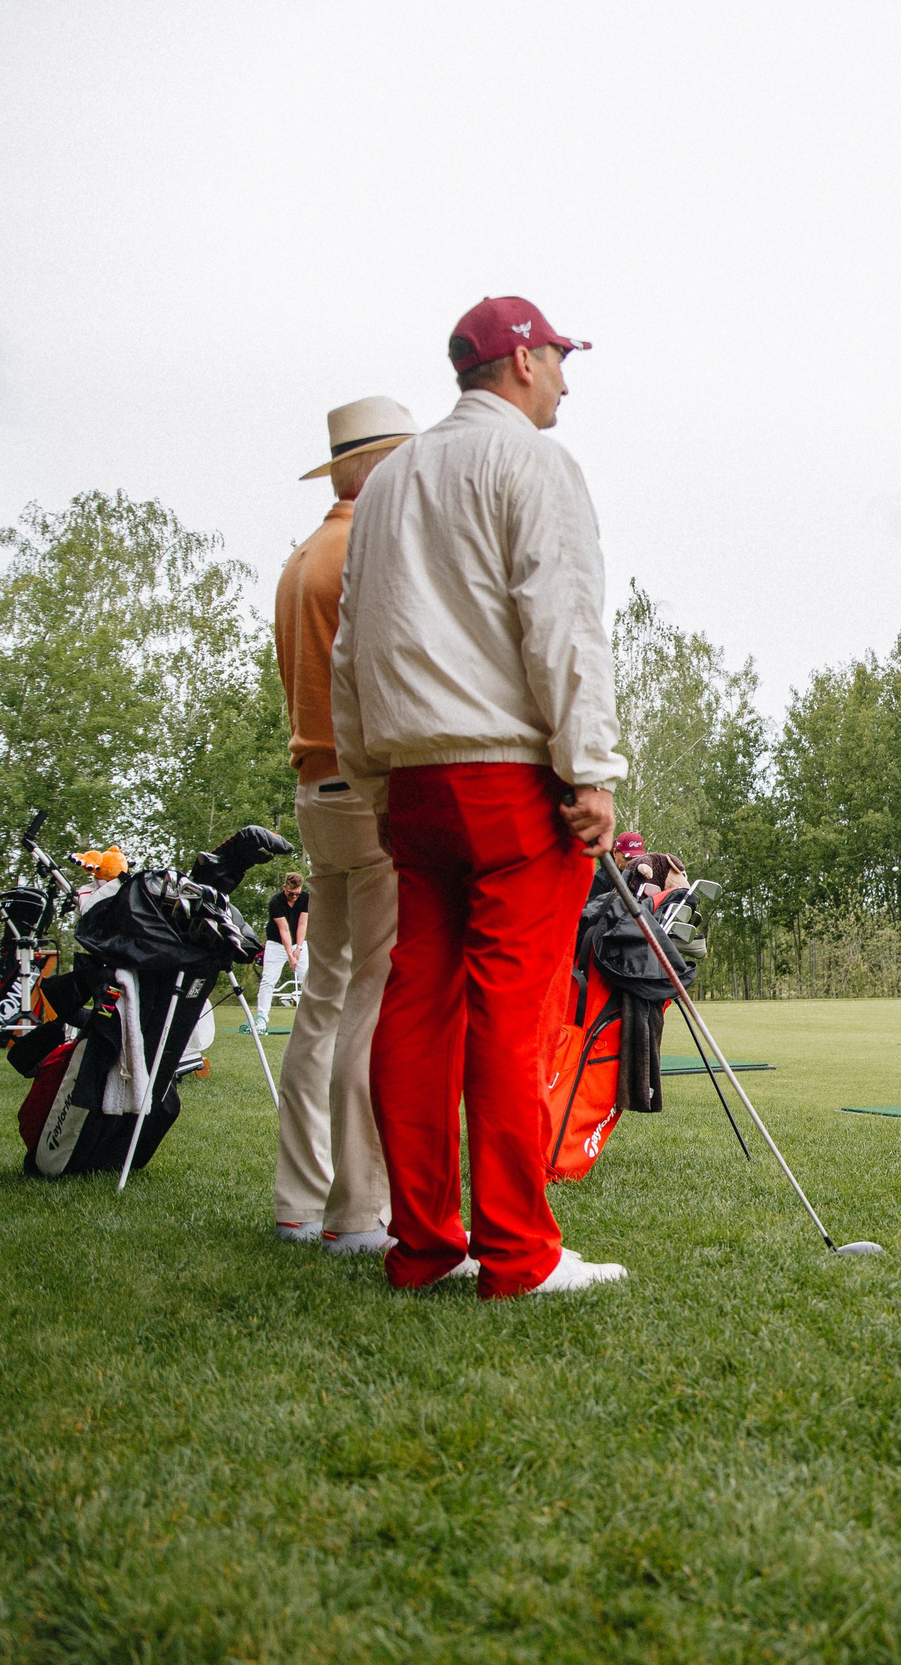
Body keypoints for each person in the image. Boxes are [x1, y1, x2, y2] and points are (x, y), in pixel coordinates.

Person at [330, 296, 629, 1298]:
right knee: (512, 1010)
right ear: (521, 362)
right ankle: (516, 1253)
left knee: (416, 1003)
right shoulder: (533, 461)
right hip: (507, 777)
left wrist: (373, 779)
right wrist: (590, 766)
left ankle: (424, 1244)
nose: (567, 377)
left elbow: (351, 648)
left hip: (413, 779)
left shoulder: (387, 481)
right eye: (559, 357)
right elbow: (564, 621)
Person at [269, 395, 413, 1251]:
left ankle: (298, 1197)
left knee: (321, 997)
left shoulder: (301, 556)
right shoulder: (367, 549)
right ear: (378, 465)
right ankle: (357, 1210)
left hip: (312, 791)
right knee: (374, 994)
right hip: (365, 792)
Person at [253, 872, 309, 1028]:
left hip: (298, 943)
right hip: (276, 944)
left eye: (297, 893)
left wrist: (298, 948)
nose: (294, 897)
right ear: (285, 888)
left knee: (308, 980)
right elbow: (284, 930)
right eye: (291, 894)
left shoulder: (305, 898)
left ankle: (309, 1020)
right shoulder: (276, 902)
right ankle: (262, 1020)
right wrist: (290, 956)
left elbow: (302, 924)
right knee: (268, 980)